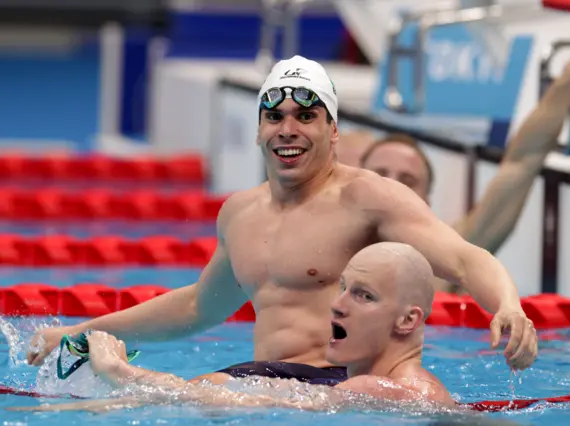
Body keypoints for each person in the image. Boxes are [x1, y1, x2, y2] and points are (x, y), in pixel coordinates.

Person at [27, 54, 538, 387]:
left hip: (335, 390)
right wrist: (80, 330)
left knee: (151, 394)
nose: (287, 130)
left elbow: (465, 259)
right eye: (275, 117)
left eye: (305, 116)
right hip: (262, 384)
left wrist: (508, 306)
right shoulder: (240, 213)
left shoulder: (368, 197)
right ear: (258, 131)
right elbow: (198, 306)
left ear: (333, 129)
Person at [14, 243, 456, 413]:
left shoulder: (393, 392)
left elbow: (242, 402)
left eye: (363, 295)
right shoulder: (376, 384)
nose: (337, 305)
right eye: (343, 288)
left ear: (408, 320)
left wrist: (121, 373)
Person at [352, 33, 570, 292]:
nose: (392, 186)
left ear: (427, 201)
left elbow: (522, 161)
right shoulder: (320, 244)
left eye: (408, 181)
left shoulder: (447, 263)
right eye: (380, 173)